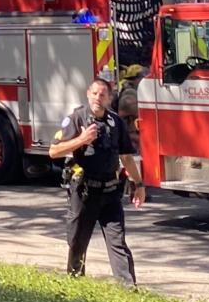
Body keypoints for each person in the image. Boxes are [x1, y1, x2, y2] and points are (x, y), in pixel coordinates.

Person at [48, 72, 146, 287]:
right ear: (87, 94)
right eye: (94, 93)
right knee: (77, 242)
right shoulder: (76, 119)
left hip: (110, 192)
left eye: (102, 94)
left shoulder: (116, 122)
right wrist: (81, 139)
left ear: (109, 98)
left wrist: (138, 185)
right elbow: (53, 151)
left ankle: (128, 288)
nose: (97, 98)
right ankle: (75, 283)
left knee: (117, 242)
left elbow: (126, 157)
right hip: (85, 192)